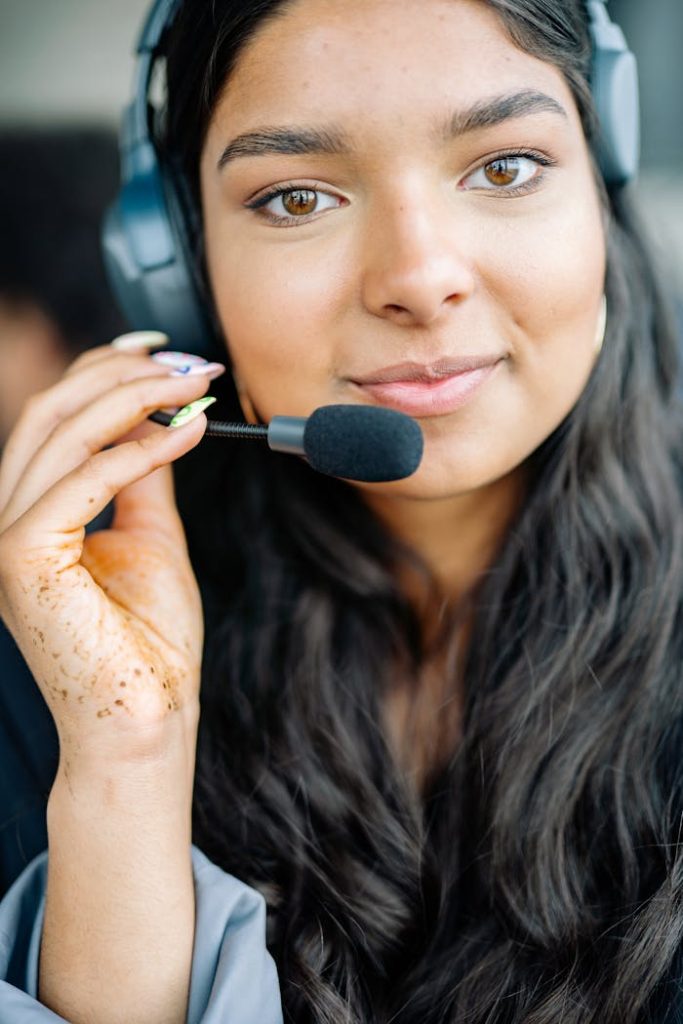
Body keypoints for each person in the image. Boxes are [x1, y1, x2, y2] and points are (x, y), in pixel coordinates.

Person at [0, 0, 682, 1022]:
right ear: (177, 258)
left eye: (504, 167)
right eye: (295, 197)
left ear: (600, 186)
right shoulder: (66, 642)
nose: (417, 278)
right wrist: (125, 770)